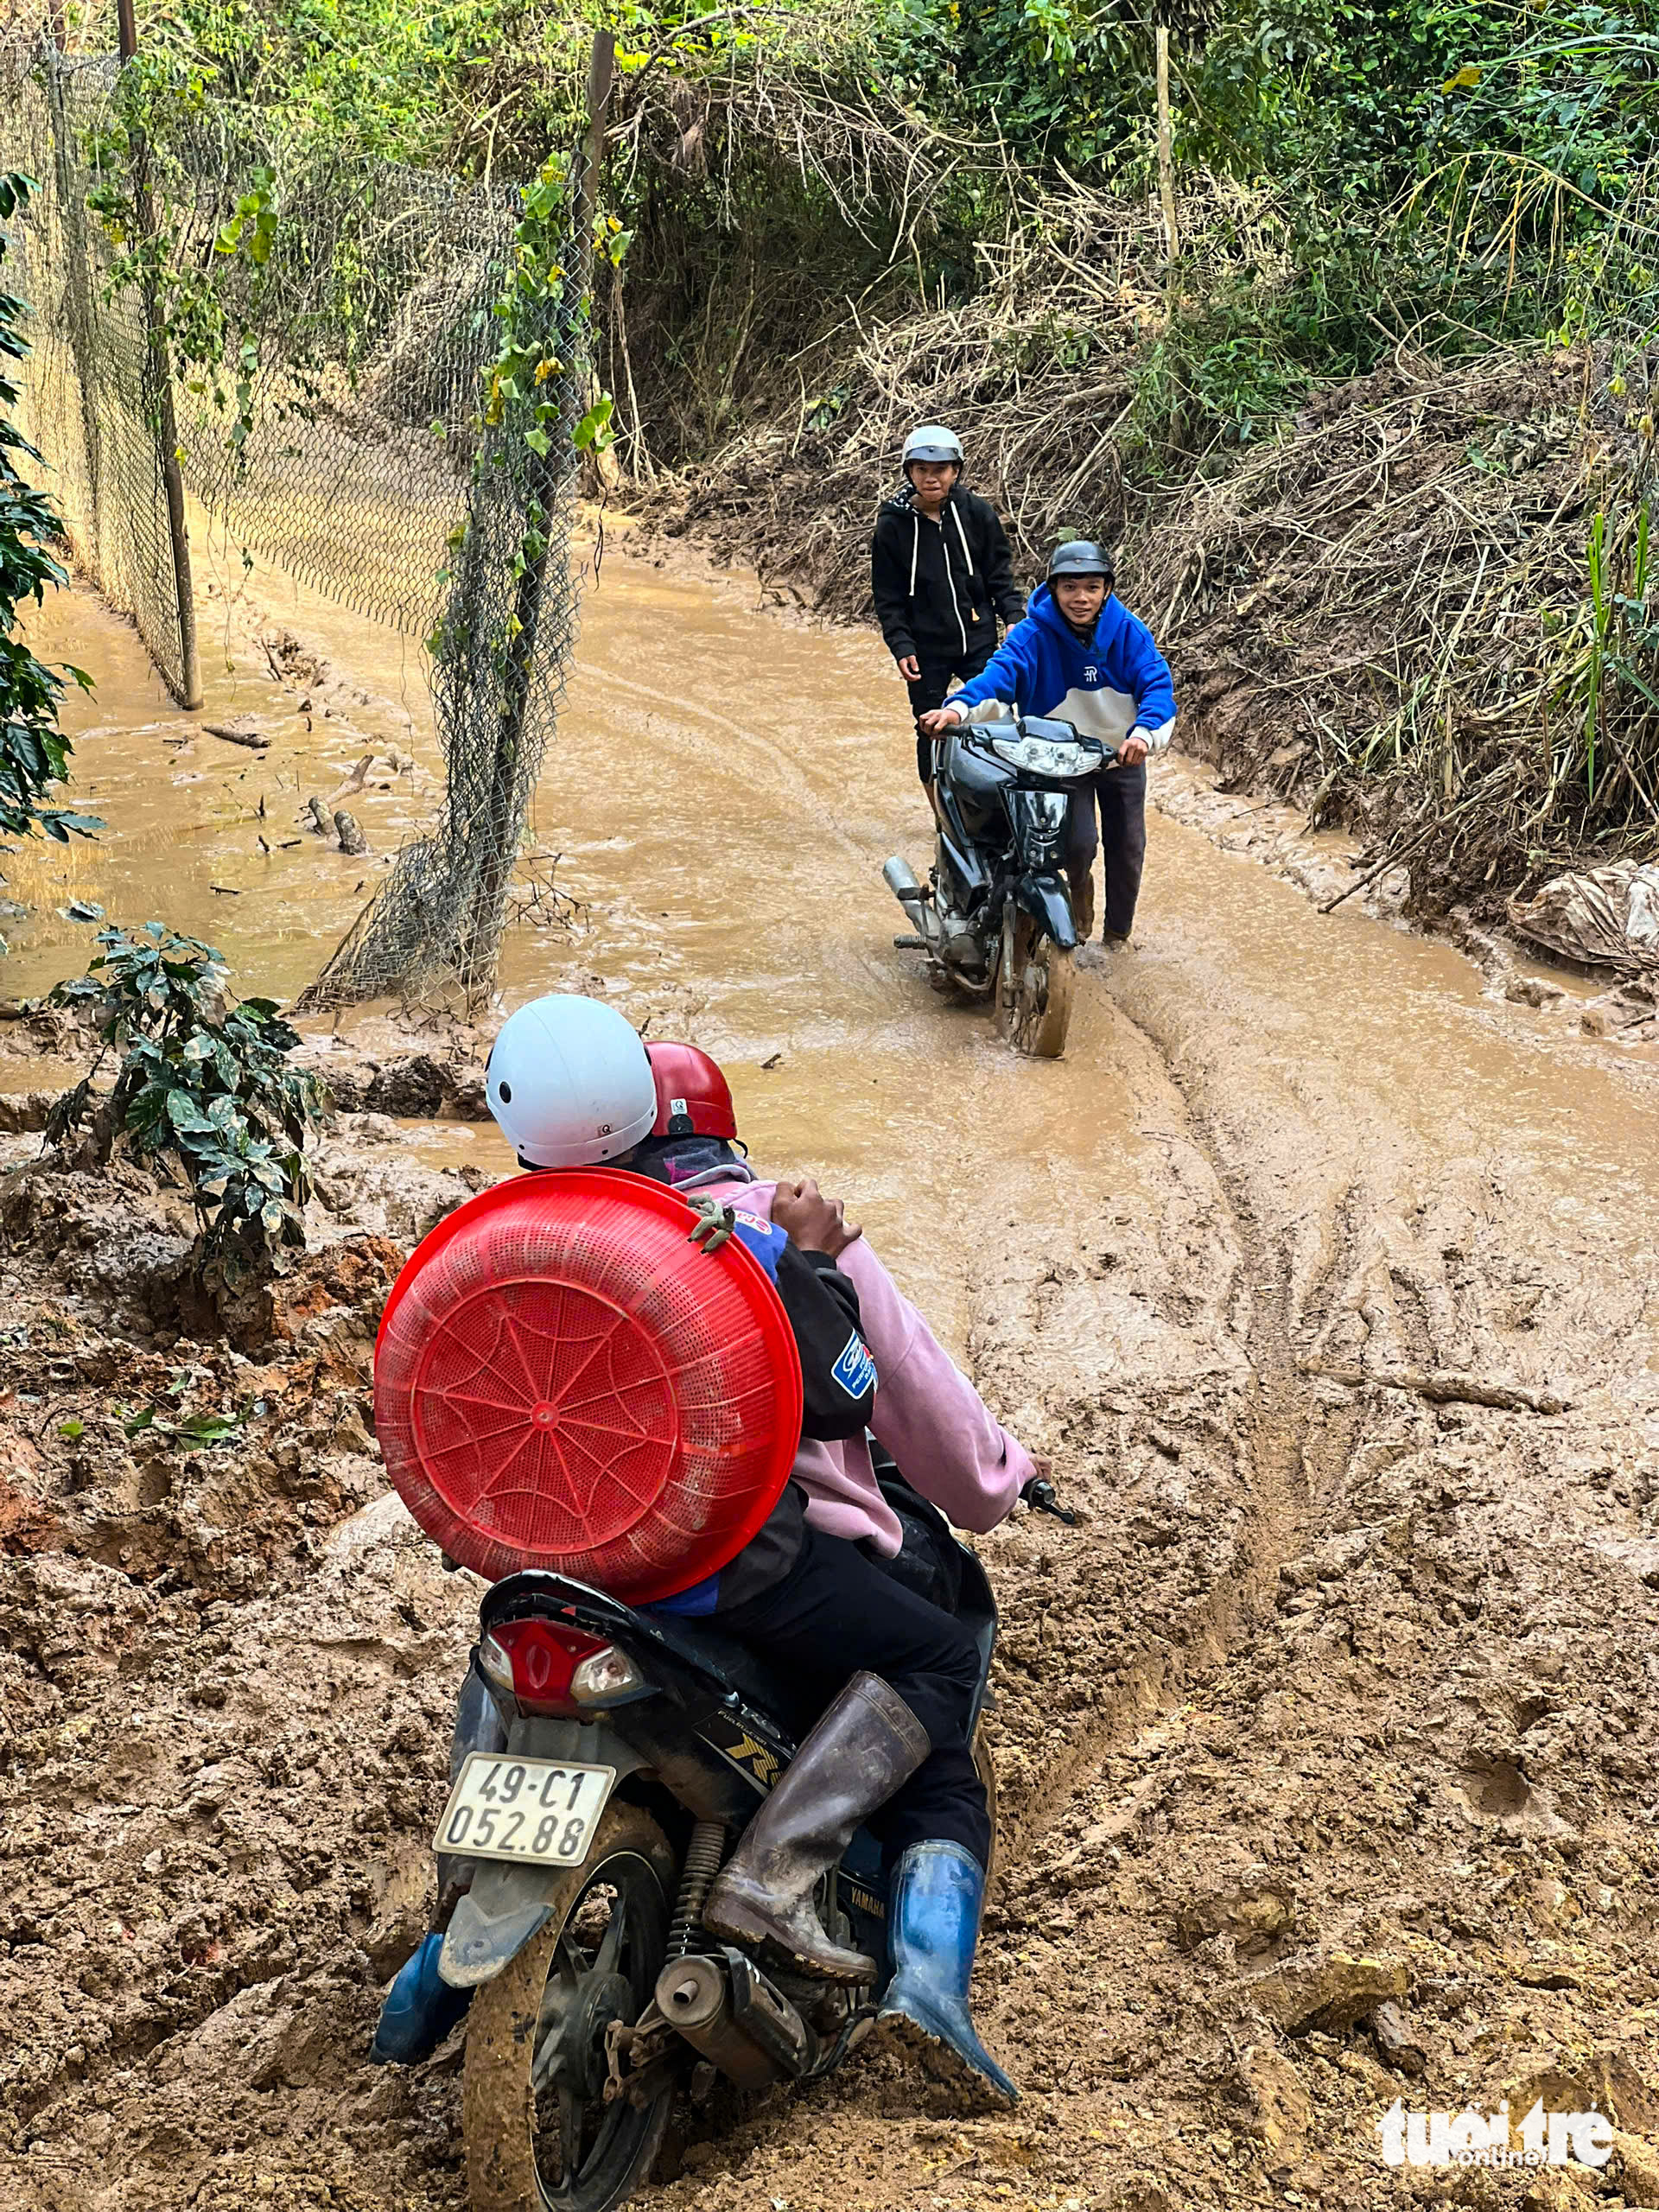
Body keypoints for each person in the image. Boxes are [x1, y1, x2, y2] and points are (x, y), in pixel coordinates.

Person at [370, 998, 879, 2069]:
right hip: (697, 1570)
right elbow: (833, 1401)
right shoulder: (713, 1242)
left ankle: (428, 1969)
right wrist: (813, 1261)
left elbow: (435, 1414)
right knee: (916, 1651)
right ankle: (865, 1931)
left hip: (542, 1570)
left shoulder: (492, 1259)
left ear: (512, 1127)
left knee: (493, 1681)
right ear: (654, 1110)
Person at [630, 1037, 1038, 2109]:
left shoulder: (565, 1240)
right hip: (757, 1566)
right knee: (939, 1710)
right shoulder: (779, 1224)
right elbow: (921, 1415)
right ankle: (926, 1987)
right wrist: (1003, 1477)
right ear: (722, 1133)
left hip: (599, 1564)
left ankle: (431, 1975)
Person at [920, 538, 1176, 947]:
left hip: (1120, 757)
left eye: (1092, 587)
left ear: (1106, 590)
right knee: (1077, 845)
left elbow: (1159, 691)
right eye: (1070, 587)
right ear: (1053, 589)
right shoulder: (1032, 634)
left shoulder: (1130, 633)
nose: (1081, 598)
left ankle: (1116, 938)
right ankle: (1077, 898)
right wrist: (956, 710)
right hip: (1057, 761)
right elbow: (998, 679)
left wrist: (1143, 736)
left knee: (1127, 850)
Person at [871, 425, 1026, 786]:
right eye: (921, 469)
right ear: (909, 472)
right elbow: (887, 596)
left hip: (979, 638)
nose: (930, 477)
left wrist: (1013, 616)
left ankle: (994, 807)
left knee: (994, 717)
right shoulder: (892, 525)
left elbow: (998, 573)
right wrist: (901, 645)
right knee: (929, 727)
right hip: (925, 648)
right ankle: (941, 817)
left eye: (939, 469)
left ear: (955, 471)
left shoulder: (977, 514)